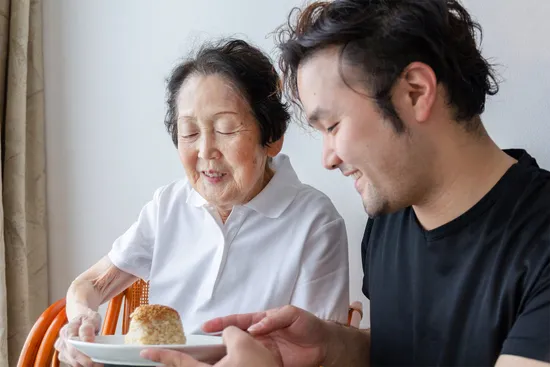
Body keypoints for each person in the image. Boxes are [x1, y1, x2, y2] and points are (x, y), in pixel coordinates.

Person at [142, 0, 550, 366]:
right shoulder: (388, 223)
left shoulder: (539, 240)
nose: (328, 158)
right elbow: (412, 349)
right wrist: (334, 347)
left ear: (414, 92)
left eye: (333, 125)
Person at [54, 38, 351, 367]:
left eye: (225, 129)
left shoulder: (315, 221)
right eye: (190, 132)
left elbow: (318, 354)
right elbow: (90, 285)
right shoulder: (169, 206)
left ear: (272, 137)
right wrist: (80, 319)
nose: (206, 151)